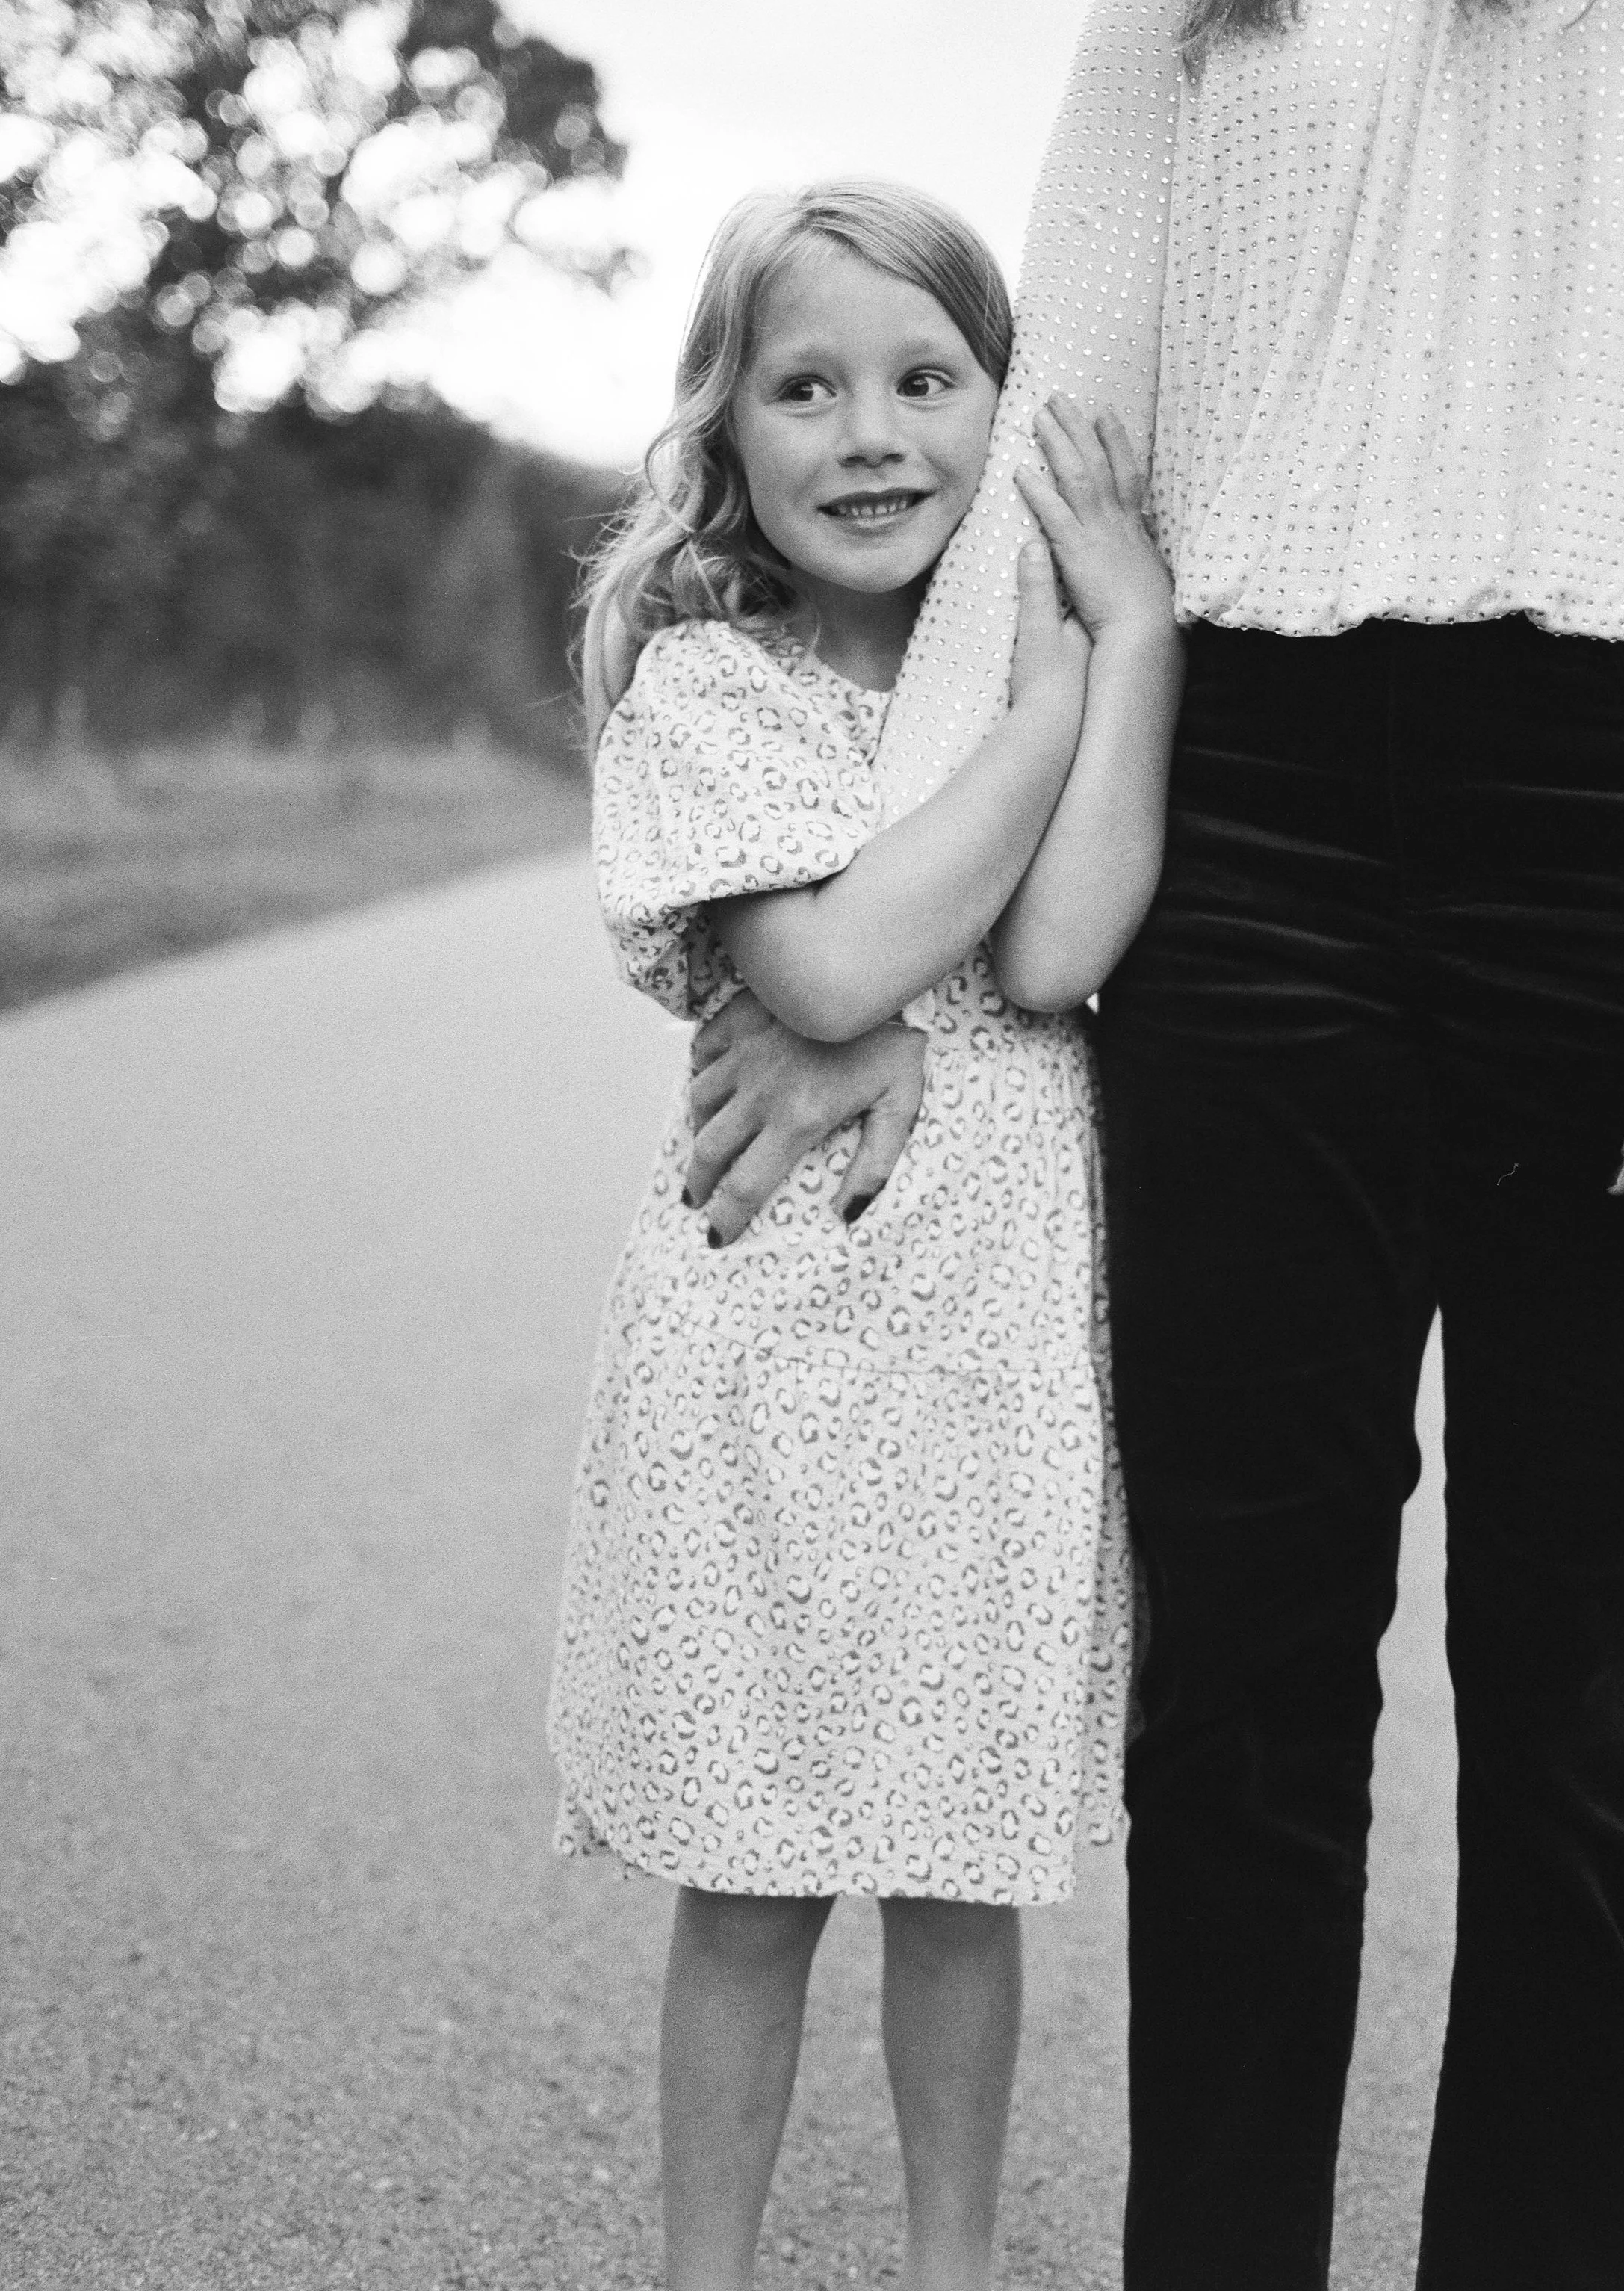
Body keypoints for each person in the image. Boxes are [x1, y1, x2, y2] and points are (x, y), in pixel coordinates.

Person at [684, 0, 1624, 2285]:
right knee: (1232, 1690)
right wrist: (875, 940)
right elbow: (1075, 396)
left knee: (1583, 1686)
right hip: (1255, 809)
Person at [547, 179, 1181, 2291]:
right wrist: (1034, 726)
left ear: (1002, 402)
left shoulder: (1044, 645)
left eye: (927, 377)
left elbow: (1064, 934)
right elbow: (824, 977)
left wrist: (1127, 644)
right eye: (804, 388)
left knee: (949, 1856)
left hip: (991, 1348)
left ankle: (948, 2261)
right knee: (744, 1868)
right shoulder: (704, 691)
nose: (873, 432)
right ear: (724, 434)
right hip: (770, 1343)